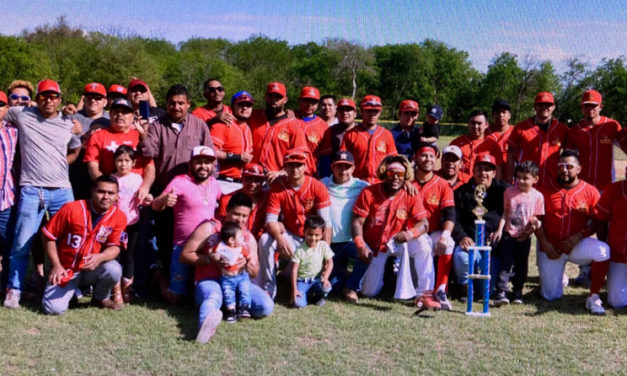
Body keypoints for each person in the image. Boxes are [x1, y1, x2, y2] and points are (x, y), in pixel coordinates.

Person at [3, 79, 82, 309]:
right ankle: (14, 289)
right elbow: (2, 112)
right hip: (31, 190)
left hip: (62, 191)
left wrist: (60, 163)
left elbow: (76, 147)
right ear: (37, 98)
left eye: (53, 96)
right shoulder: (22, 114)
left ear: (59, 99)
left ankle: (64, 286)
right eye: (44, 96)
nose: (49, 100)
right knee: (22, 242)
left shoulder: (68, 123)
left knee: (68, 242)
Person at [138, 84, 214, 278]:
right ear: (166, 104)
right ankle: (166, 276)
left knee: (194, 234)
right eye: (172, 103)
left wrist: (210, 186)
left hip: (195, 191)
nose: (176, 107)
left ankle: (194, 277)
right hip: (166, 190)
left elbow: (211, 156)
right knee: (165, 236)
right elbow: (150, 152)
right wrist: (143, 134)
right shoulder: (157, 126)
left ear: (188, 104)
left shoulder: (199, 125)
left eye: (181, 103)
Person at [180, 192, 274, 344]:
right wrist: (210, 259)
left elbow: (255, 271)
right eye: (237, 214)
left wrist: (246, 263)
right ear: (227, 210)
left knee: (266, 306)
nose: (241, 220)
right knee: (213, 296)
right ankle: (205, 327)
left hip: (236, 282)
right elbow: (185, 255)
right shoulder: (210, 228)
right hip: (210, 281)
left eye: (245, 216)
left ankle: (228, 307)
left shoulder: (247, 237)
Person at [535, 150, 610, 315]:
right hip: (551, 247)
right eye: (561, 166)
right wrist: (545, 244)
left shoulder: (590, 191)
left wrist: (580, 235)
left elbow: (597, 221)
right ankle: (559, 277)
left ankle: (594, 295)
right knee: (551, 296)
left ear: (579, 169)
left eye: (569, 166)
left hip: (576, 245)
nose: (564, 169)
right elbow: (536, 220)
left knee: (603, 250)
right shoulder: (545, 189)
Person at [351, 155, 432, 306]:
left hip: (400, 241)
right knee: (369, 292)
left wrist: (410, 233)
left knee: (423, 242)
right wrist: (360, 245)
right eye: (391, 173)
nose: (395, 177)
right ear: (384, 173)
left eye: (400, 174)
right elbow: (356, 222)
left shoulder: (411, 194)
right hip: (376, 245)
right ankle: (388, 280)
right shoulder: (369, 192)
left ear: (405, 176)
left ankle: (424, 293)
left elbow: (424, 223)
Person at [41, 175, 127, 314]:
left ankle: (99, 298)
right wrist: (56, 265)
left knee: (114, 269)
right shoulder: (72, 208)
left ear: (117, 196)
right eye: (101, 191)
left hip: (91, 268)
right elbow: (48, 236)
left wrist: (100, 257)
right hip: (66, 269)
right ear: (92, 191)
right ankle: (74, 291)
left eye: (111, 193)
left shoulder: (119, 216)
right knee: (53, 309)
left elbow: (115, 246)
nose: (106, 196)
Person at [151, 146, 221, 303]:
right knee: (175, 298)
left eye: (207, 162)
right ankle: (158, 274)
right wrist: (163, 201)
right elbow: (155, 205)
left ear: (213, 165)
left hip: (206, 247)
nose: (203, 166)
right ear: (191, 164)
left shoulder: (215, 184)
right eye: (199, 162)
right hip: (182, 246)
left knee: (200, 293)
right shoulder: (180, 181)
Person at [257, 150, 332, 297]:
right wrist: (279, 238)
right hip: (291, 235)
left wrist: (325, 252)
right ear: (285, 167)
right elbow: (270, 220)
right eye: (291, 165)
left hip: (312, 238)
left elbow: (326, 224)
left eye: (299, 165)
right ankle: (269, 288)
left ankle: (304, 280)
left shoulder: (317, 186)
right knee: (265, 239)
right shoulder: (278, 187)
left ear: (305, 167)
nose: (295, 169)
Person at [452, 153, 509, 300]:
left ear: (494, 173)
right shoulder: (461, 192)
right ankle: (464, 287)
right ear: (473, 171)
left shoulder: (505, 190)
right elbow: (454, 219)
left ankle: (495, 286)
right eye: (480, 169)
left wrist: (500, 230)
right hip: (470, 243)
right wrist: (462, 236)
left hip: (493, 246)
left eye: (487, 169)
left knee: (485, 293)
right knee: (461, 257)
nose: (483, 173)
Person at [489, 161, 544, 305]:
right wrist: (500, 230)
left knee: (521, 265)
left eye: (525, 178)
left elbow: (536, 219)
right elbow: (505, 213)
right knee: (506, 263)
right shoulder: (509, 192)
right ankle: (501, 291)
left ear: (535, 179)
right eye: (518, 177)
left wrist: (530, 230)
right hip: (508, 235)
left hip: (524, 238)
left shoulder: (538, 197)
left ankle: (517, 291)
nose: (521, 181)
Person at [411, 143, 456, 310]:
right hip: (412, 234)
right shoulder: (407, 181)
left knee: (449, 242)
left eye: (431, 156)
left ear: (436, 159)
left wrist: (445, 235)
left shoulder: (443, 184)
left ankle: (441, 290)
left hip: (433, 232)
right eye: (423, 155)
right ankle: (423, 292)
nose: (428, 159)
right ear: (415, 157)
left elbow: (450, 214)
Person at [83, 98, 154, 201]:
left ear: (132, 116)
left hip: (137, 194)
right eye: (116, 112)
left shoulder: (139, 136)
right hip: (110, 195)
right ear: (110, 115)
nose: (120, 115)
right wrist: (106, 188)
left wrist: (145, 187)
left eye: (125, 112)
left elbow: (150, 167)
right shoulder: (98, 135)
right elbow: (92, 166)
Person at [320, 151, 369, 302]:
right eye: (338, 167)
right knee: (330, 287)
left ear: (353, 168)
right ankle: (344, 276)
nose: (343, 171)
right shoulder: (322, 184)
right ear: (332, 168)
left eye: (347, 167)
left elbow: (384, 190)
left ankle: (351, 287)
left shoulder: (362, 186)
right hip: (331, 242)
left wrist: (406, 182)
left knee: (368, 254)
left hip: (351, 241)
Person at [111, 145, 153, 303]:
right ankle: (115, 290)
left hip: (133, 222)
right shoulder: (112, 179)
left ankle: (127, 288)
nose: (123, 164)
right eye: (120, 160)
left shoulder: (137, 179)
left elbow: (143, 198)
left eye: (127, 161)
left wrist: (148, 198)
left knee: (131, 256)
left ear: (134, 163)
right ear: (114, 162)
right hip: (115, 225)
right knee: (116, 255)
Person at [566, 90, 625, 191]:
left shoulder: (611, 125)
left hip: (606, 184)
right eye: (586, 105)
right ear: (582, 107)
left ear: (600, 107)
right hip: (582, 184)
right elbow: (568, 158)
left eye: (593, 106)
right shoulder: (575, 131)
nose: (590, 109)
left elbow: (625, 145)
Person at [248, 82, 308, 182]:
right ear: (266, 97)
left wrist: (282, 172)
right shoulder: (253, 116)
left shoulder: (294, 124)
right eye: (271, 96)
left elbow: (300, 156)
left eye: (278, 97)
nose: (274, 100)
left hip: (277, 179)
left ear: (285, 100)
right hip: (251, 176)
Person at [507, 92, 568, 188]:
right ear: (535, 106)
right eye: (540, 104)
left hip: (553, 184)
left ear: (553, 107)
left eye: (548, 104)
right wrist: (509, 182)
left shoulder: (562, 129)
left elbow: (569, 158)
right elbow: (511, 157)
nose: (544, 107)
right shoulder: (521, 128)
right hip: (526, 185)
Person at [340, 95, 397, 184]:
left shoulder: (387, 134)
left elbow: (394, 162)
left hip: (381, 183)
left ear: (380, 113)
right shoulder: (350, 134)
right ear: (362, 111)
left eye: (375, 111)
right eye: (369, 111)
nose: (372, 114)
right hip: (356, 183)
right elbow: (343, 162)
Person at [595, 165, 627, 309]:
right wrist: (604, 244)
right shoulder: (614, 190)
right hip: (618, 254)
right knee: (617, 302)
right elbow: (600, 219)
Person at [210, 91, 254, 194]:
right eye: (240, 104)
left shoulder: (248, 128)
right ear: (232, 106)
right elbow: (211, 152)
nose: (245, 108)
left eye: (248, 105)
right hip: (222, 181)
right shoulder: (222, 124)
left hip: (242, 183)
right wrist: (237, 157)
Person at [211, 222, 251, 322]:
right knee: (228, 294)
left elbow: (249, 257)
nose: (243, 239)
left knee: (245, 290)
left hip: (241, 276)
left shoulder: (241, 248)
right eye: (241, 237)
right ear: (232, 240)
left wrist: (246, 260)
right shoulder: (221, 246)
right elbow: (213, 252)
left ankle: (244, 307)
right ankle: (231, 312)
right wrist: (215, 256)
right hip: (227, 278)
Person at [291, 215, 334, 308]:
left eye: (317, 235)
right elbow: (294, 270)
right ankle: (305, 295)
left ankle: (319, 296)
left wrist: (325, 278)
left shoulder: (323, 245)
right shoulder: (300, 250)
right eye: (310, 234)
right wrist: (294, 290)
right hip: (303, 281)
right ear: (304, 232)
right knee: (298, 304)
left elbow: (330, 262)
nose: (313, 238)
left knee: (327, 288)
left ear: (322, 234)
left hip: (317, 279)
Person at [216, 163, 267, 239]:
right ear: (241, 179)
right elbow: (221, 225)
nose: (253, 184)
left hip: (258, 241)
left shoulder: (268, 199)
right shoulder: (227, 199)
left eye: (257, 180)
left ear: (263, 182)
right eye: (248, 179)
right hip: (232, 240)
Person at [450, 110, 503, 178]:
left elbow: (498, 170)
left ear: (486, 125)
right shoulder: (457, 143)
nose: (475, 126)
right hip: (461, 184)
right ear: (468, 124)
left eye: (479, 123)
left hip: (483, 185)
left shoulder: (493, 145)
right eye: (473, 123)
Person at [0, 91, 18, 288]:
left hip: (5, 197)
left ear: (6, 108)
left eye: (0, 105)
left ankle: (5, 285)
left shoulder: (14, 131)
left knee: (9, 243)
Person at [295, 86, 331, 177]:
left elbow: (325, 157)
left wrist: (324, 179)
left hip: (309, 174)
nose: (310, 104)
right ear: (299, 101)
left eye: (313, 102)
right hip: (285, 172)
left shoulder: (323, 126)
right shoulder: (288, 118)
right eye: (306, 100)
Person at [487, 100, 514, 182]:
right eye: (497, 112)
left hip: (512, 177)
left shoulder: (516, 132)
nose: (500, 115)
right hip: (490, 177)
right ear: (493, 115)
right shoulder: (485, 133)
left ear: (509, 115)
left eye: (504, 112)